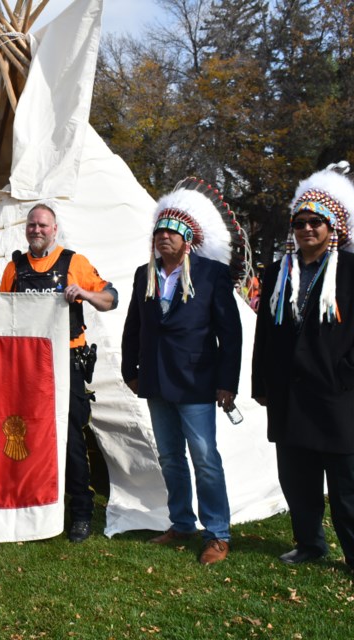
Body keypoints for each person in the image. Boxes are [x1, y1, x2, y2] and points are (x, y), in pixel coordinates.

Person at [252, 161, 354, 590]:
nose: (307, 229)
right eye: (300, 222)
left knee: (347, 484)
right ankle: (310, 542)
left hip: (336, 397)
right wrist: (262, 385)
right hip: (289, 396)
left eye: (316, 222)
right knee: (297, 480)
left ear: (333, 227)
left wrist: (344, 375)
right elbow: (264, 334)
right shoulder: (279, 272)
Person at [121, 178, 245, 565]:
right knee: (171, 457)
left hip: (196, 380)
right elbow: (134, 327)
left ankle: (218, 532)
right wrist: (130, 370)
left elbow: (231, 332)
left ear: (187, 239)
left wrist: (227, 382)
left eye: (171, 233)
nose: (163, 238)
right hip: (156, 379)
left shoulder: (209, 275)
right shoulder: (146, 274)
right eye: (158, 232)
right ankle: (181, 523)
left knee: (205, 457)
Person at [0, 203, 117, 543]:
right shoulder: (15, 268)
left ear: (54, 228)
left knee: (71, 441)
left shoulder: (73, 262)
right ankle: (30, 507)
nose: (37, 230)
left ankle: (81, 511)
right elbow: (1, 313)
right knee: (24, 436)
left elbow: (111, 298)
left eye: (43, 225)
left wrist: (85, 293)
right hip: (25, 367)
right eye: (32, 225)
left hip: (67, 363)